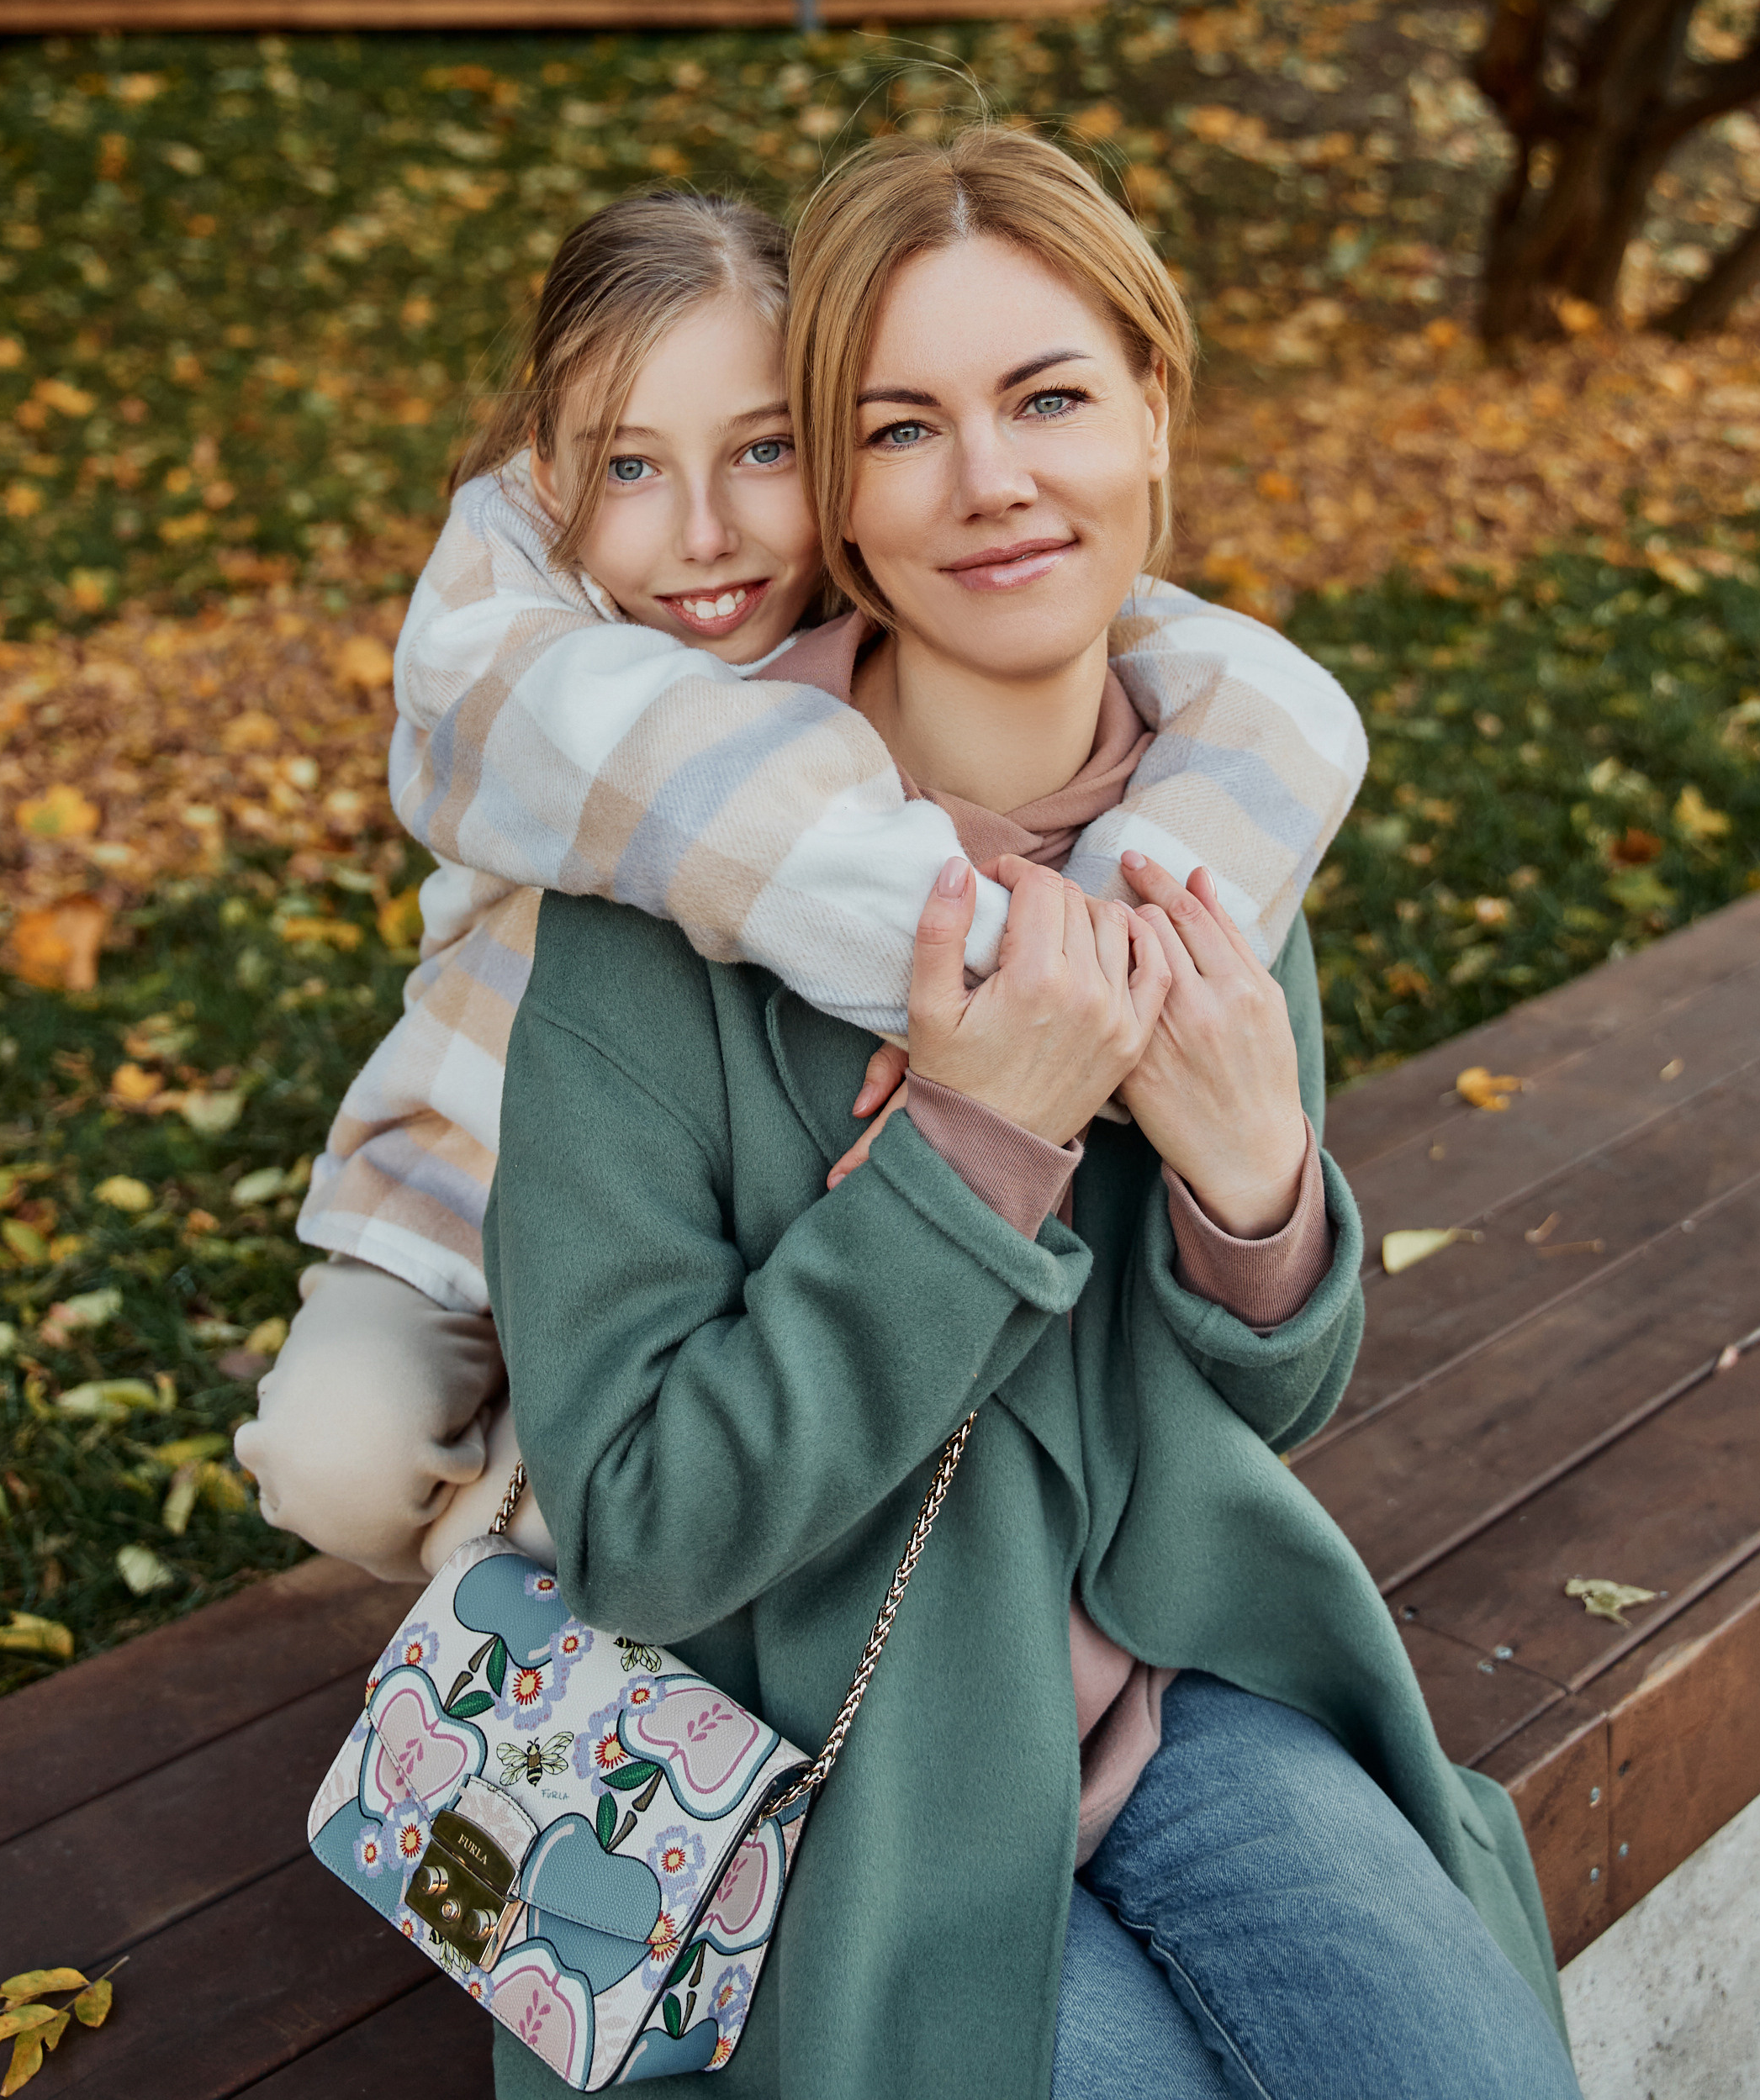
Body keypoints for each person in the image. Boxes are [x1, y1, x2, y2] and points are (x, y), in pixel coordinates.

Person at [486, 128, 1580, 2098]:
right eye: (900, 428)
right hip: (822, 1776)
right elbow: (637, 1531)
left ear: (1151, 409)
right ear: (838, 492)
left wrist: (1256, 1190)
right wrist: (960, 1158)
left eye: (1048, 397)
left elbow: (1264, 1400)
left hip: (1179, 1688)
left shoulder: (1207, 832)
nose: (988, 479)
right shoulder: (668, 901)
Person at [240, 181, 1368, 1591]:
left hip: (769, 1260)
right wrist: (1026, 988)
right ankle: (558, 1558)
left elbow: (1227, 673)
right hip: (472, 1168)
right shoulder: (556, 682)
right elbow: (721, 810)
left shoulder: (1000, 648)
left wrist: (1196, 1060)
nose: (704, 533)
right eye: (629, 467)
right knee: (345, 1456)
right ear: (550, 480)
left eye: (765, 449)